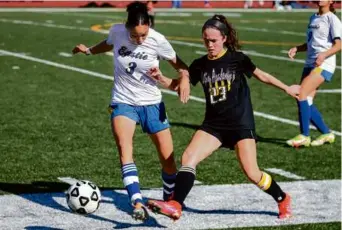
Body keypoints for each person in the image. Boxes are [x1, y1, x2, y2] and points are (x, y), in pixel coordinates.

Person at [146, 14, 298, 220]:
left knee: (252, 173)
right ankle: (176, 205)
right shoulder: (200, 65)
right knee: (188, 158)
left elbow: (263, 76)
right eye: (206, 40)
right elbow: (178, 85)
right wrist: (160, 78)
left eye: (214, 41)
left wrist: (286, 88)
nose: (209, 45)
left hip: (240, 124)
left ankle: (282, 198)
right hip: (214, 125)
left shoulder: (237, 59)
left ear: (224, 38)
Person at [72, 1, 190, 221]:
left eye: (143, 35)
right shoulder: (117, 32)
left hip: (153, 104)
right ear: (127, 27)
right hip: (123, 101)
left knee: (168, 160)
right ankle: (136, 201)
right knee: (125, 149)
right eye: (135, 36)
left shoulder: (158, 40)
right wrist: (88, 51)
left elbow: (180, 66)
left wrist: (184, 79)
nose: (140, 40)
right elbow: (108, 44)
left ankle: (168, 200)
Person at [286, 0, 341, 147]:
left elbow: (339, 45)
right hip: (310, 63)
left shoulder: (332, 19)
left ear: (331, 1)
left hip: (324, 64)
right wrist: (297, 48)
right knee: (305, 100)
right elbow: (311, 43)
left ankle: (304, 135)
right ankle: (326, 133)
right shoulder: (313, 17)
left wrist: (323, 55)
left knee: (301, 93)